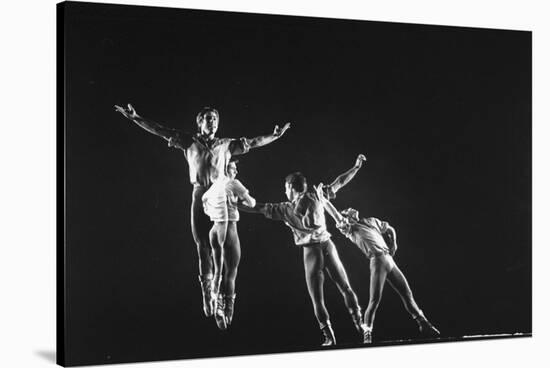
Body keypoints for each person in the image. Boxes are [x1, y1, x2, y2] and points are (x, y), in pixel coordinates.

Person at [114, 104, 290, 317]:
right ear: (200, 123)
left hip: (219, 195)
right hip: (199, 193)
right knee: (202, 244)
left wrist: (274, 136)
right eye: (208, 118)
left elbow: (253, 142)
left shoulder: (226, 145)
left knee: (225, 247)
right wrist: (136, 118)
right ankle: (208, 291)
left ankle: (226, 298)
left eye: (215, 119)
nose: (212, 122)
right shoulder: (189, 141)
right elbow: (161, 130)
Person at [237, 172, 365, 346]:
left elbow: (258, 207)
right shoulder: (318, 195)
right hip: (328, 245)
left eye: (285, 188)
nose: (285, 191)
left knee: (317, 298)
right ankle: (360, 324)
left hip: (311, 251)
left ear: (290, 187)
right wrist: (356, 167)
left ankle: (329, 336)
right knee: (346, 288)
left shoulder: (286, 208)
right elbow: (340, 181)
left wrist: (233, 204)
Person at [314, 183, 441, 343]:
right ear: (347, 218)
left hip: (389, 259)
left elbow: (390, 228)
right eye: (346, 211)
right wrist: (323, 199)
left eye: (348, 209)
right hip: (377, 261)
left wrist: (393, 243)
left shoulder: (371, 221)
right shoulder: (351, 229)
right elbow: (335, 215)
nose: (349, 209)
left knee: (407, 294)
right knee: (374, 300)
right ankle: (367, 334)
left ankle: (424, 323)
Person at [202, 159, 255, 329]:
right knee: (231, 272)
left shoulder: (214, 186)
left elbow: (203, 200)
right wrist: (239, 202)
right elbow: (252, 202)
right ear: (226, 169)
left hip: (214, 230)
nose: (236, 171)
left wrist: (214, 210)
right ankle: (228, 310)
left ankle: (216, 303)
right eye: (233, 168)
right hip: (230, 230)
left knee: (218, 270)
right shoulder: (233, 183)